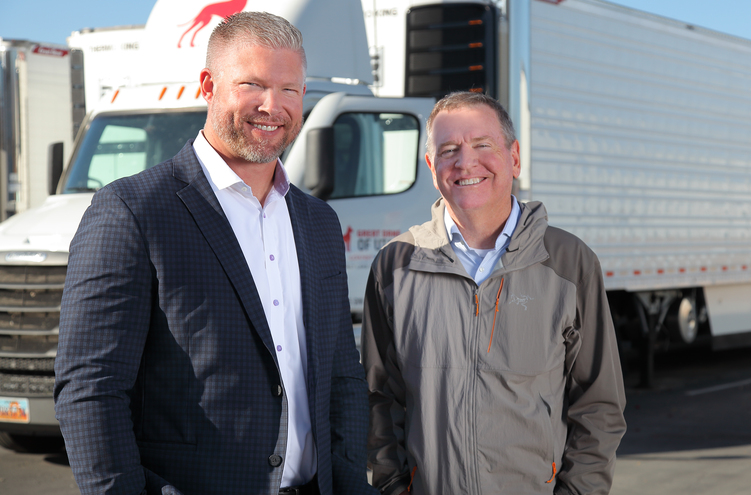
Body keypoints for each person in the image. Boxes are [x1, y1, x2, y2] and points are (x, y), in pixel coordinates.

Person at [54, 12, 373, 495]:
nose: (273, 106)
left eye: (290, 89)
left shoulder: (318, 222)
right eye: (253, 85)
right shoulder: (134, 210)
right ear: (208, 84)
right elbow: (91, 388)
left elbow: (342, 375)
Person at [361, 92, 627, 495]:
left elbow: (598, 405)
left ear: (514, 157)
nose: (466, 162)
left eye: (482, 145)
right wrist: (395, 488)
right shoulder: (396, 266)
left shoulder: (569, 263)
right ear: (432, 167)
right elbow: (379, 400)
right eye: (449, 150)